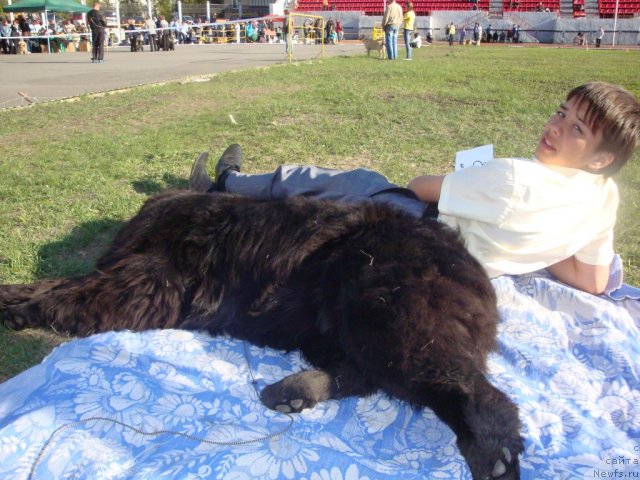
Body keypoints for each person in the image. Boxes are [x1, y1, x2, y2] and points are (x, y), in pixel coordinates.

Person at [189, 83, 640, 295]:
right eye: (561, 113)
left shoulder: (516, 177)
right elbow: (593, 280)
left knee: (322, 184)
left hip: (413, 225)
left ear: (600, 158)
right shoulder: (604, 197)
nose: (556, 127)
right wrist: (542, 238)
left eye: (576, 128)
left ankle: (228, 185)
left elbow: (422, 188)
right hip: (457, 265)